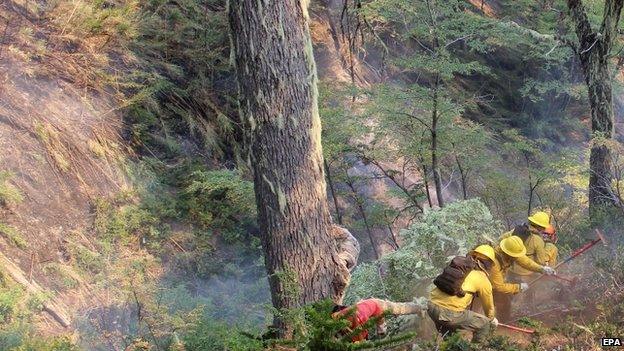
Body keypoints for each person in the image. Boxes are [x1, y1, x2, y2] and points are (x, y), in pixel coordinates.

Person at [427, 245, 498, 343]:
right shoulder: (482, 279)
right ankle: (475, 348)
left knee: (452, 339)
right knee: (484, 324)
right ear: (488, 264)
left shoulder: (458, 268)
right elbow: (489, 307)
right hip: (448, 314)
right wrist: (492, 320)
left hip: (431, 307)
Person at [490, 235, 556, 321]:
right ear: (508, 253)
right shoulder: (495, 263)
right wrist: (518, 287)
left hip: (495, 281)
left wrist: (541, 269)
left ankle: (502, 321)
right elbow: (499, 287)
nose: (517, 258)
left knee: (505, 299)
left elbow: (525, 261)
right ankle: (495, 322)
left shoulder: (509, 250)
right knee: (500, 300)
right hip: (486, 284)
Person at [332, 298, 421, 342]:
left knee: (381, 329)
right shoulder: (342, 316)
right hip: (366, 305)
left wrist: (381, 332)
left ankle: (419, 308)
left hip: (375, 306)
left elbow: (360, 338)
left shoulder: (358, 322)